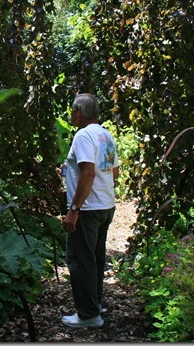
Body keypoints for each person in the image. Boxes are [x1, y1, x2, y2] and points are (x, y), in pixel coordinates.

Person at [61, 93, 119, 328]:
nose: (71, 115)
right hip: (105, 205)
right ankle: (95, 304)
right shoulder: (106, 134)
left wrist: (74, 209)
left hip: (88, 209)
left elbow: (88, 173)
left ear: (78, 112)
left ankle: (88, 315)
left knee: (80, 260)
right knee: (94, 258)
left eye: (72, 111)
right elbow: (112, 173)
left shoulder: (83, 135)